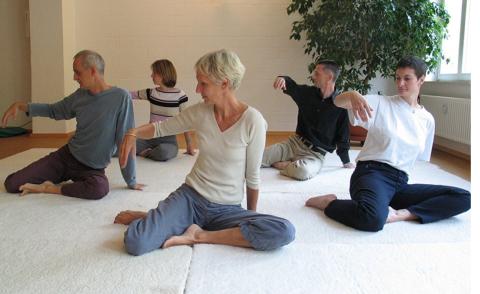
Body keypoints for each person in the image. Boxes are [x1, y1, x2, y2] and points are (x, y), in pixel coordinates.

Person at [114, 49, 295, 255]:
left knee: (283, 231)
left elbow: (252, 177)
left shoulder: (253, 121)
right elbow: (160, 128)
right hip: (191, 198)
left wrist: (248, 218)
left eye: (203, 83)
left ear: (224, 84)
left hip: (227, 208)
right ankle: (157, 217)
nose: (198, 89)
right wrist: (132, 133)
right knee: (135, 242)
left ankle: (198, 235)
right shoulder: (201, 112)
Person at [305, 56, 471, 231]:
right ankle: (329, 203)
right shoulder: (382, 103)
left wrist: (406, 211)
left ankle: (405, 213)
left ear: (421, 80)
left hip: (400, 183)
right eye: (398, 78)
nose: (400, 83)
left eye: (407, 78)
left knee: (463, 197)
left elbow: (418, 159)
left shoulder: (427, 119)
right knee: (372, 219)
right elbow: (338, 101)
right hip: (371, 174)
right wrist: (352, 95)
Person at [2, 50, 143, 199]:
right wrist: (22, 106)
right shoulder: (79, 96)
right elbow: (54, 110)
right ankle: (57, 182)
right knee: (12, 184)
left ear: (93, 71)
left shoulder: (120, 97)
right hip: (66, 158)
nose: (75, 77)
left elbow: (126, 141)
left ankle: (48, 189)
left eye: (78, 73)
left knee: (99, 189)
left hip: (92, 169)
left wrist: (131, 180)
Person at [262, 60, 354, 181]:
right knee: (256, 157)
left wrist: (346, 160)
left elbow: (343, 134)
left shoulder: (340, 104)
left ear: (329, 77)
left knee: (302, 171)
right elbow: (292, 86)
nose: (313, 76)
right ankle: (290, 163)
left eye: (317, 73)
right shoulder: (307, 93)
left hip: (315, 155)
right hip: (293, 144)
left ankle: (282, 165)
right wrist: (282, 78)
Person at [129, 59, 195, 160]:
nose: (151, 76)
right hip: (148, 137)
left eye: (153, 73)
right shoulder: (151, 93)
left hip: (168, 141)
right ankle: (149, 151)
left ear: (162, 74)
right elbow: (130, 95)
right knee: (124, 147)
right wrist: (110, 91)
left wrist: (189, 145)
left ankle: (147, 153)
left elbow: (186, 121)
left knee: (163, 152)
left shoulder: (180, 95)